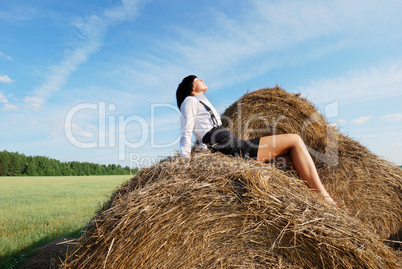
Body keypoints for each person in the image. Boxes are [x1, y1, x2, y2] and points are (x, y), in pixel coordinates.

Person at [176, 75, 336, 206]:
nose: (202, 80)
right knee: (295, 140)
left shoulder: (200, 101)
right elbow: (186, 132)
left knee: (289, 160)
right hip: (233, 148)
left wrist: (203, 154)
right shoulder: (189, 101)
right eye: (198, 79)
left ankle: (311, 201)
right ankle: (326, 200)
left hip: (230, 146)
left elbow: (202, 137)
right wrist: (186, 165)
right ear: (191, 87)